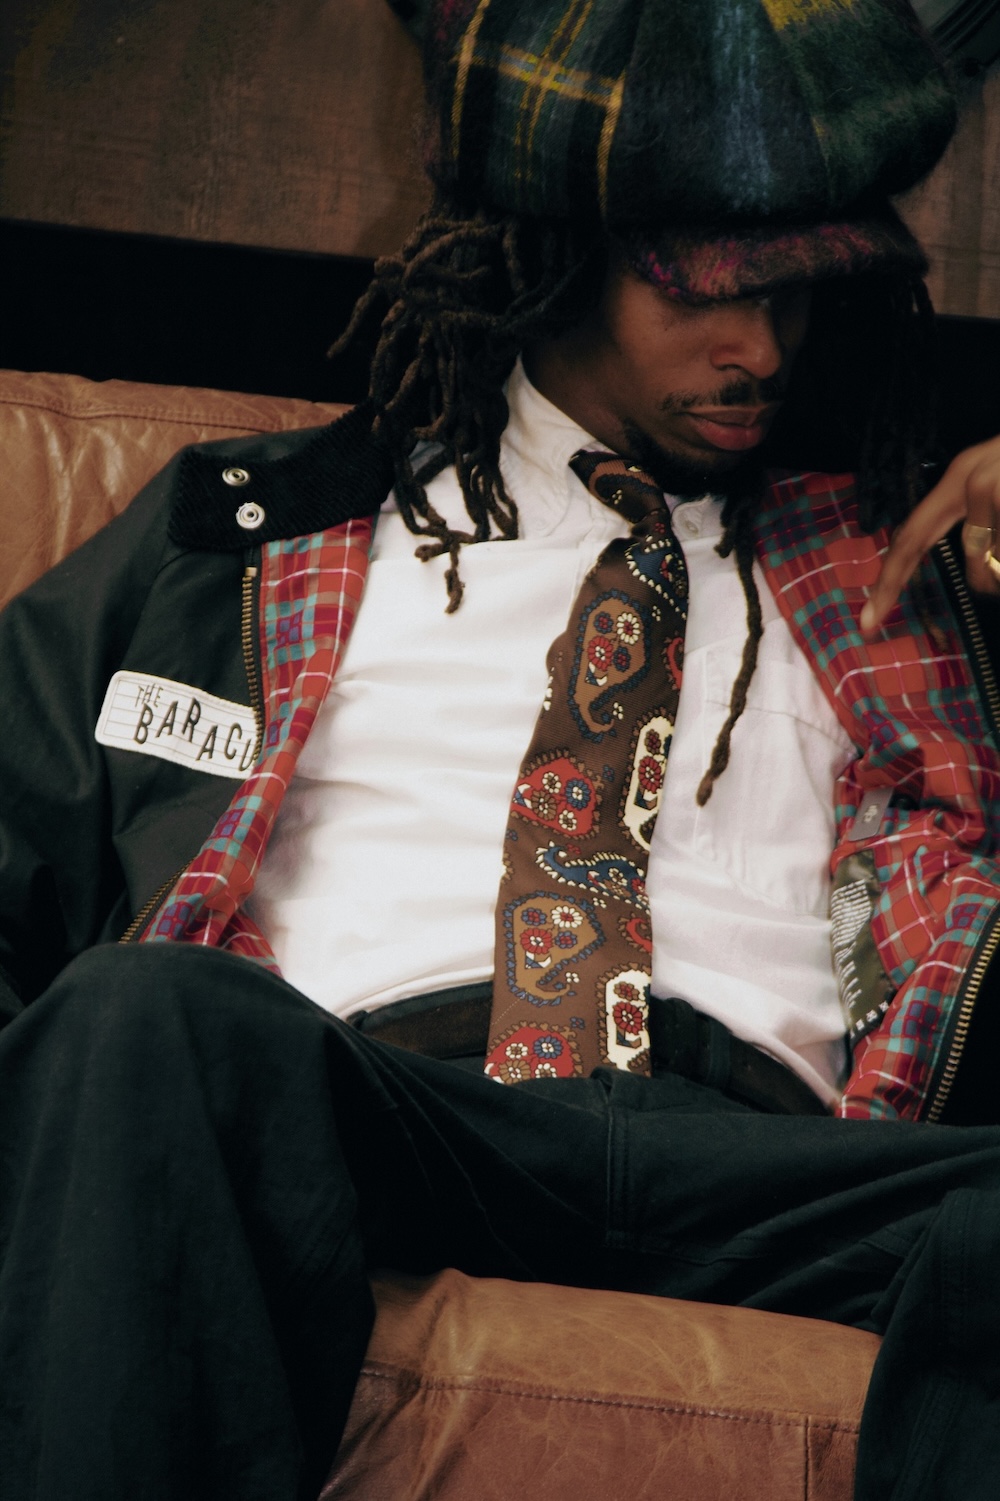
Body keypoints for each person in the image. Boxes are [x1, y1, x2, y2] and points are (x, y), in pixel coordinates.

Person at [3, 0, 1000, 1497]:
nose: (760, 349)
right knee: (143, 1020)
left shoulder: (914, 576)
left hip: (782, 1163)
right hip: (376, 1106)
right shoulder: (252, 535)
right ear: (557, 255)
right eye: (704, 294)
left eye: (799, 295)